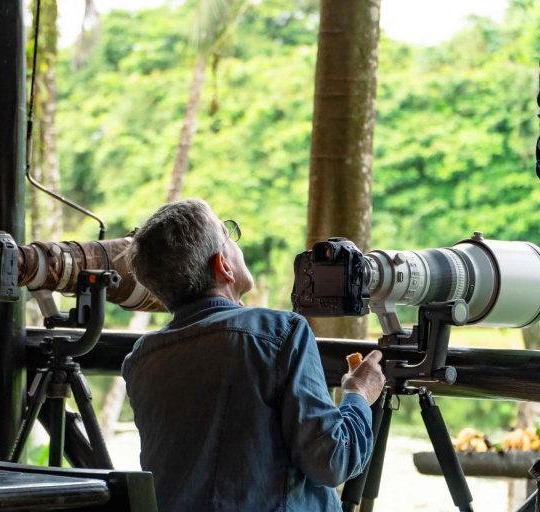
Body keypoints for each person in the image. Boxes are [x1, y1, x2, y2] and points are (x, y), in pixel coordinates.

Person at [122, 198, 385, 511]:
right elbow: (332, 461)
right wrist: (358, 393)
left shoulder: (141, 359)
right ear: (223, 265)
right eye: (228, 234)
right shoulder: (280, 332)